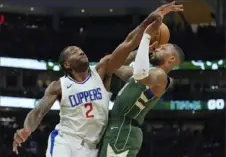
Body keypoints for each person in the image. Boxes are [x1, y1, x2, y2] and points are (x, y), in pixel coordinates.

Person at [12, 2, 182, 157]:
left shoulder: (101, 72)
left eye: (80, 49)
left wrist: (147, 23)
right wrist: (26, 129)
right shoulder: (60, 86)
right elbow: (38, 112)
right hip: (66, 140)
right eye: (73, 51)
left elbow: (127, 43)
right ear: (67, 64)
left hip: (92, 147)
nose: (79, 51)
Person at [98, 10, 185, 157]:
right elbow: (112, 64)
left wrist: (146, 37)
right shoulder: (143, 73)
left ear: (171, 60)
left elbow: (140, 73)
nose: (157, 48)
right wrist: (137, 52)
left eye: (163, 48)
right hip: (116, 128)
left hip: (124, 130)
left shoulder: (160, 76)